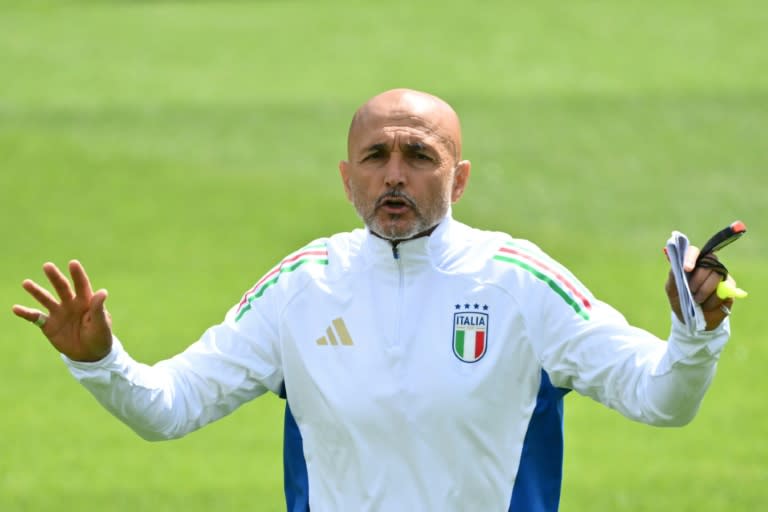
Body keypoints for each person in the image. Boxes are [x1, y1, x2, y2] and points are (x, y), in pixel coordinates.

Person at [13, 88, 736, 512]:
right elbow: (169, 409)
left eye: (419, 157)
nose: (396, 175)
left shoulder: (521, 282)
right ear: (347, 177)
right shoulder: (301, 287)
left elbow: (662, 400)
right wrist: (102, 361)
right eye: (376, 158)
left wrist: (693, 336)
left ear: (458, 180)